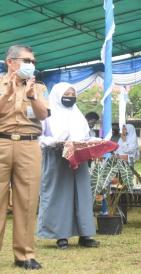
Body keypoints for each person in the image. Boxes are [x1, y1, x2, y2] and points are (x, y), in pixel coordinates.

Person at [0, 45, 49, 273]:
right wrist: (8, 94)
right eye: (26, 60)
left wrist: (32, 96)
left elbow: (43, 115)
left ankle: (25, 255)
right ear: (10, 62)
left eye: (33, 61)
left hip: (29, 144)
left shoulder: (39, 87)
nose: (31, 65)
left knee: (27, 202)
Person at [37, 82, 99, 249]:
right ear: (57, 95)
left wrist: (92, 141)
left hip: (78, 159)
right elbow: (38, 137)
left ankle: (85, 234)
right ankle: (60, 236)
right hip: (56, 158)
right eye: (67, 94)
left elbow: (85, 135)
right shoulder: (46, 114)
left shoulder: (77, 114)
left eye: (73, 94)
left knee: (82, 195)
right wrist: (54, 141)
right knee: (59, 196)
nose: (70, 97)